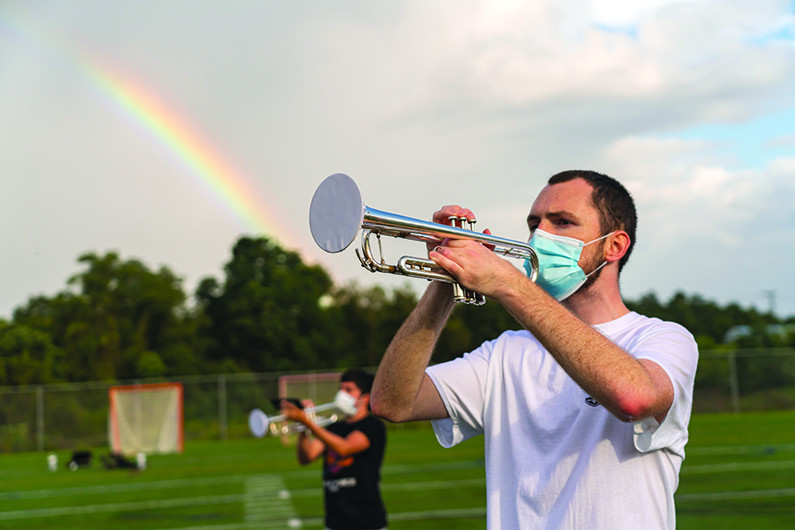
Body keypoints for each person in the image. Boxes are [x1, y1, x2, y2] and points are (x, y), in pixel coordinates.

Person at [370, 170, 698, 530]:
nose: (540, 235)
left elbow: (634, 399)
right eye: (534, 223)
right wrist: (445, 278)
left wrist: (509, 283)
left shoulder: (663, 338)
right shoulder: (505, 352)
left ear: (614, 246)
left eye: (562, 223)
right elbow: (393, 403)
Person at [281, 368, 388, 530]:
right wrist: (303, 429)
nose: (341, 394)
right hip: (335, 522)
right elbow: (306, 457)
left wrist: (308, 422)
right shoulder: (333, 428)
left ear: (365, 398)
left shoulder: (373, 426)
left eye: (348, 390)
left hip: (367, 522)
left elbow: (345, 448)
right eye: (340, 389)